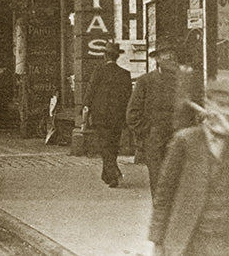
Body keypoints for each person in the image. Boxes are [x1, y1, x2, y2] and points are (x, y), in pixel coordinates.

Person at [148, 76, 229, 256]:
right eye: (220, 105)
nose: (224, 112)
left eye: (228, 107)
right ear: (207, 105)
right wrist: (157, 241)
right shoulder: (186, 141)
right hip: (189, 241)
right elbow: (164, 195)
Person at [128, 42, 197, 197]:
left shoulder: (184, 81)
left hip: (180, 140)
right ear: (158, 59)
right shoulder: (146, 81)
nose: (171, 57)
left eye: (172, 54)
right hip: (155, 143)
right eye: (166, 55)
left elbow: (192, 110)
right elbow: (132, 114)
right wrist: (148, 134)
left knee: (180, 186)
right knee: (160, 185)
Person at [83, 42, 133, 188]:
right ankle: (107, 175)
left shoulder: (99, 71)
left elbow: (90, 91)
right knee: (113, 145)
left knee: (104, 145)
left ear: (105, 56)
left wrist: (86, 108)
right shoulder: (125, 74)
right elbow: (128, 97)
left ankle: (113, 173)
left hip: (101, 116)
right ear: (117, 57)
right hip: (118, 117)